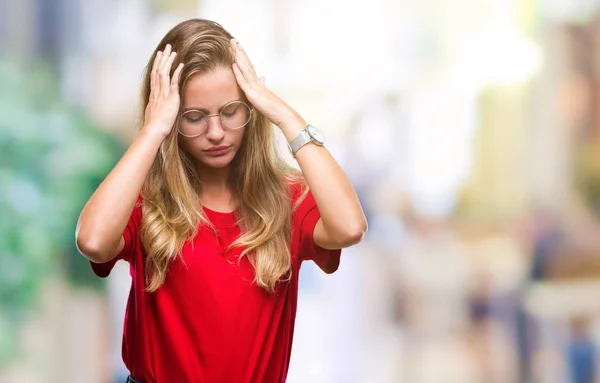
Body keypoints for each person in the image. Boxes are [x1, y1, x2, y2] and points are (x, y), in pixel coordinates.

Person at [74, 18, 367, 383]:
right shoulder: (145, 200)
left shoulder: (285, 199)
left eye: (231, 112)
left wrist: (285, 116)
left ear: (251, 107)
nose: (216, 133)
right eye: (194, 118)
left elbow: (350, 227)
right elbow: (93, 241)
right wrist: (151, 132)